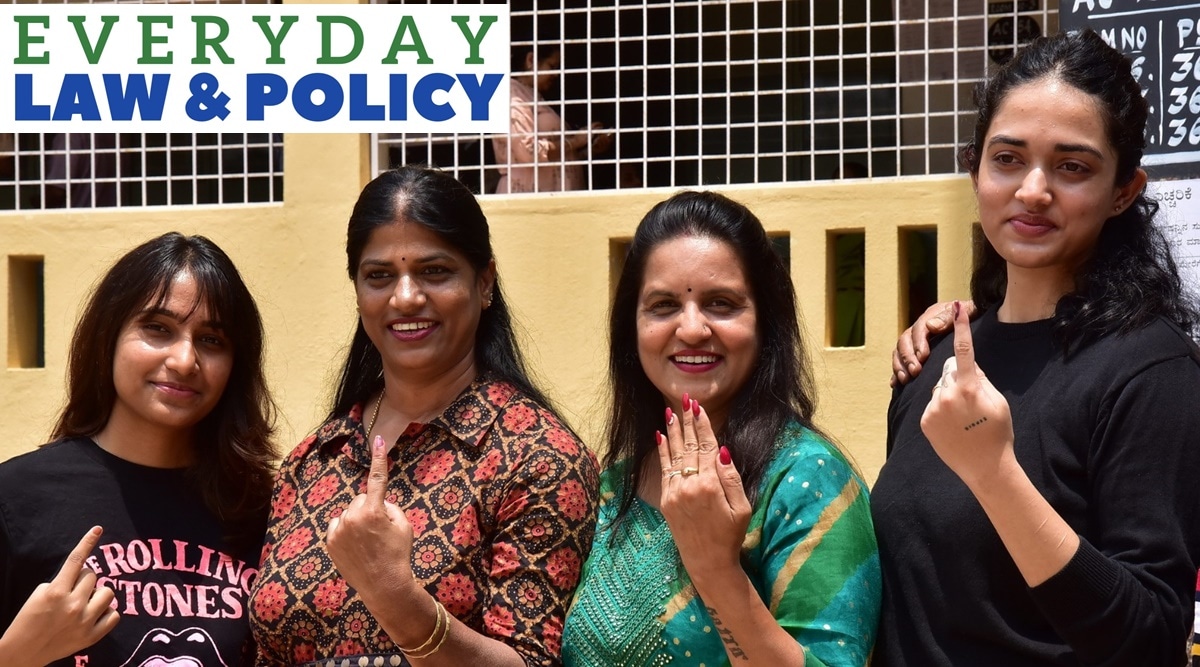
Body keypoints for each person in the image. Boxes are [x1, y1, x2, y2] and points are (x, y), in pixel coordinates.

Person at [871, 29, 1200, 666]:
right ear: (975, 168)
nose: (1032, 190)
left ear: (1124, 191)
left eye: (1072, 167)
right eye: (1008, 158)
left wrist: (995, 474)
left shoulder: (1150, 372)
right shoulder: (937, 362)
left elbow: (1151, 638)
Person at [249, 166, 599, 666]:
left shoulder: (537, 457)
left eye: (434, 271)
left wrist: (396, 596)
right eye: (379, 276)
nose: (406, 297)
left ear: (484, 283)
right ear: (357, 290)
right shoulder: (312, 461)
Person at [561, 191, 881, 667]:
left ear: (765, 323)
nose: (691, 329)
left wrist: (715, 569)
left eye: (721, 304)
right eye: (664, 305)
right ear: (633, 327)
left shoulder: (807, 481)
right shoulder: (613, 485)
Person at [0, 232, 278, 667]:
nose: (185, 360)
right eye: (158, 329)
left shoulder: (263, 510)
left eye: (211, 340)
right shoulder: (15, 498)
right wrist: (15, 656)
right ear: (108, 335)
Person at [492, 44, 613, 193]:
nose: (556, 74)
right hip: (529, 197)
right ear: (531, 60)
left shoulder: (532, 95)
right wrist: (576, 141)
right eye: (552, 66)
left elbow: (557, 159)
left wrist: (590, 149)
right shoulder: (511, 93)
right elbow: (528, 152)